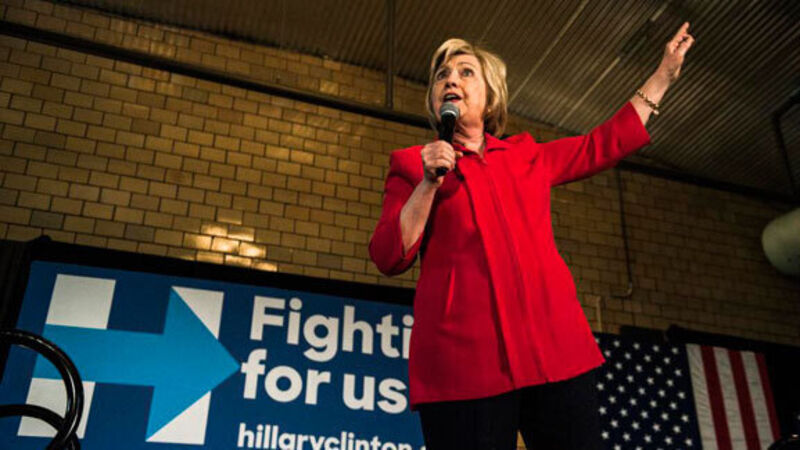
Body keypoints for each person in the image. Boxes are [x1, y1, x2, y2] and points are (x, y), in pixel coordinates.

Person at [369, 23, 694, 450]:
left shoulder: (526, 155)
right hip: (464, 366)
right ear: (433, 99)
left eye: (466, 72)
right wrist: (429, 183)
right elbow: (389, 256)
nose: (450, 80)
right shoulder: (412, 164)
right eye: (442, 75)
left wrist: (663, 76)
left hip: (555, 352)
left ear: (491, 98)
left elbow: (602, 144)